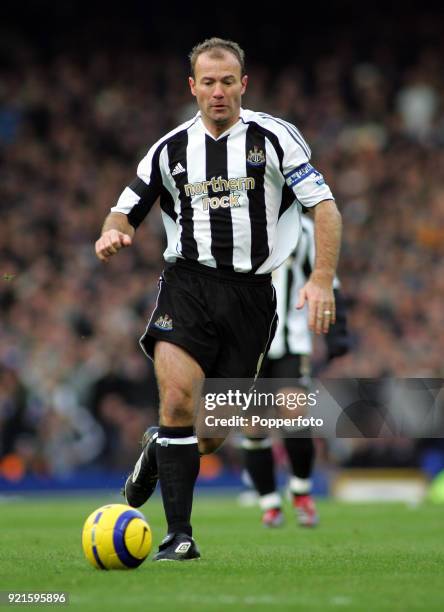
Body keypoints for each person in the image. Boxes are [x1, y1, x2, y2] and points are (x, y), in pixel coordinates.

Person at [95, 37, 342, 561]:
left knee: (207, 437)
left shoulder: (274, 138)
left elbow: (325, 207)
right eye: (207, 82)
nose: (218, 91)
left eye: (228, 81)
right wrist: (111, 233)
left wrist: (321, 278)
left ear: (243, 84)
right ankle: (178, 535)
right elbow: (124, 208)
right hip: (187, 284)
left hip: (252, 297)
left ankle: (157, 446)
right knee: (179, 400)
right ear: (193, 87)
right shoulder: (169, 149)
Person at [242, 215, 350, 528]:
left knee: (294, 410)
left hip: (291, 342)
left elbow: (328, 282)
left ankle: (301, 492)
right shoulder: (239, 223)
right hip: (248, 347)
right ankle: (269, 503)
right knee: (254, 425)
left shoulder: (303, 230)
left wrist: (336, 332)